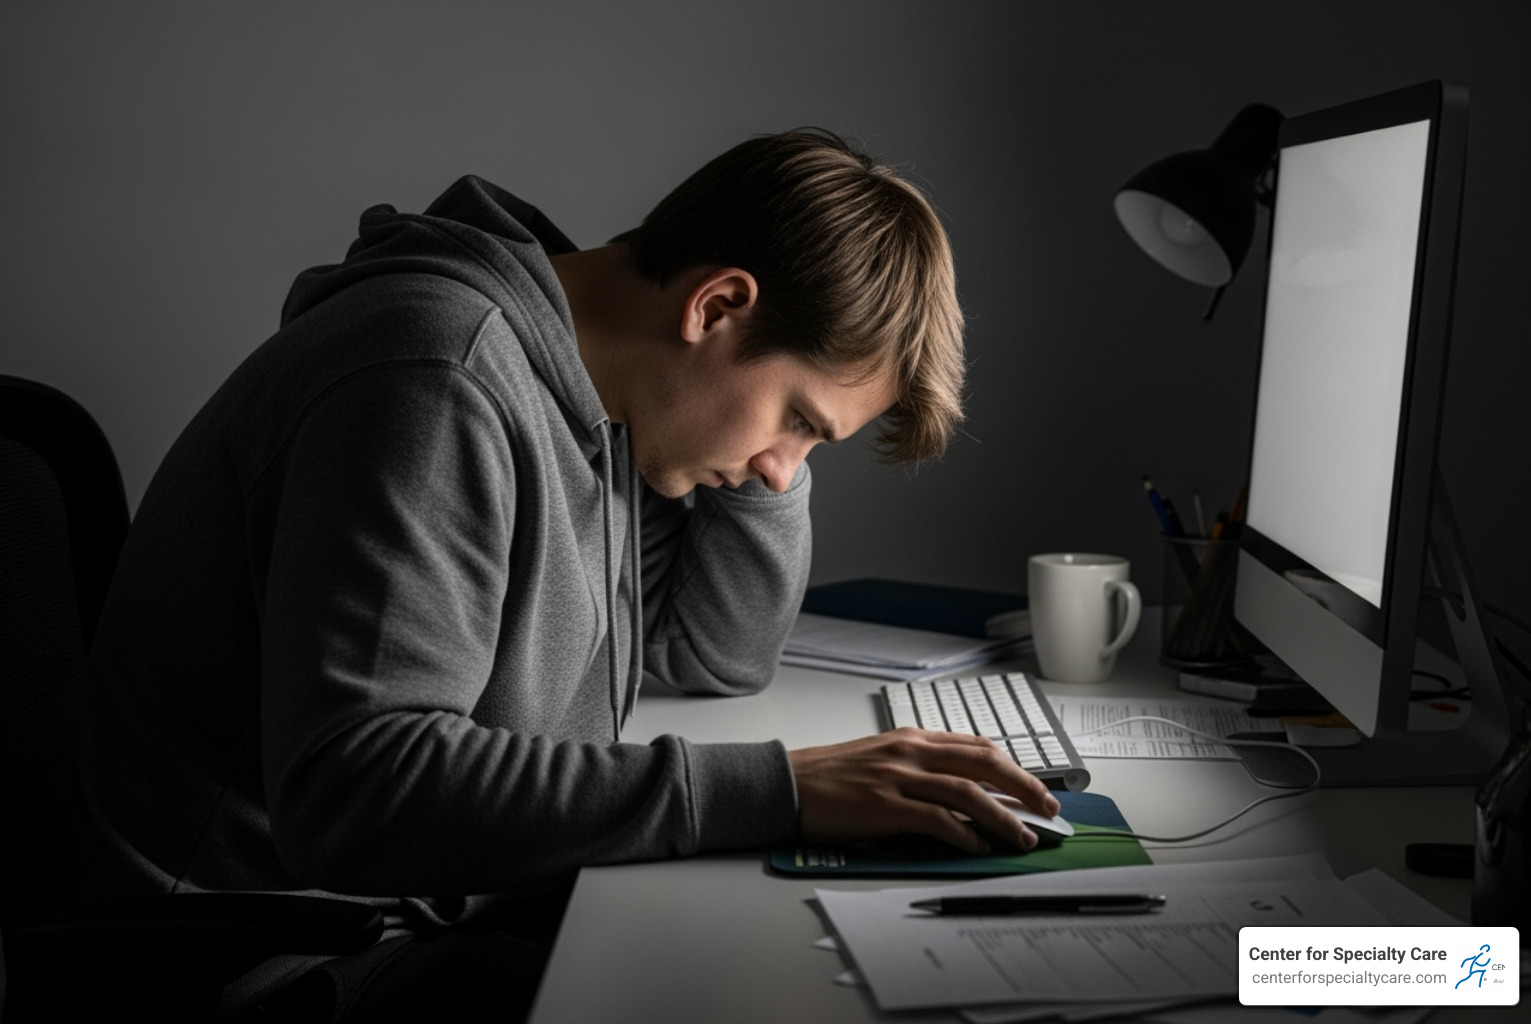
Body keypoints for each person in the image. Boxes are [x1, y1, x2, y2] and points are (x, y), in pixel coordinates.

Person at [77, 129, 1059, 1021]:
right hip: (259, 952)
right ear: (715, 304)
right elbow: (358, 792)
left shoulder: (596, 397)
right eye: (799, 417)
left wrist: (765, 457)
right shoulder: (435, 379)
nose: (785, 466)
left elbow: (711, 651)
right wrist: (784, 791)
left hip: (410, 905)